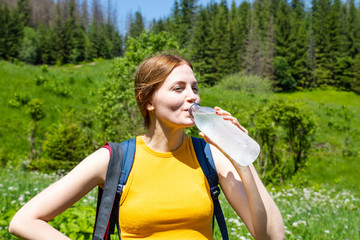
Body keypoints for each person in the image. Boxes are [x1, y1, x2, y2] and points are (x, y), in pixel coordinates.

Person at [9, 54, 285, 239]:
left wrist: (241, 155)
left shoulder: (210, 154)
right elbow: (23, 221)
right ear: (148, 101)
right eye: (178, 88)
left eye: (195, 87)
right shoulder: (115, 159)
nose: (192, 97)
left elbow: (270, 235)